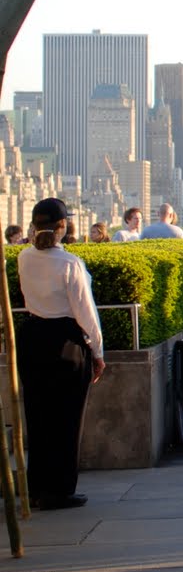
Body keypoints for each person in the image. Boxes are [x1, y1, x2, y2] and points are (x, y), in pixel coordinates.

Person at [16, 198, 104, 510]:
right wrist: (97, 350)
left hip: (32, 336)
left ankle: (37, 485)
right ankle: (60, 488)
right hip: (65, 340)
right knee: (67, 418)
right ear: (64, 226)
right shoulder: (70, 264)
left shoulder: (24, 258)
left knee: (37, 414)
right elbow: (85, 312)